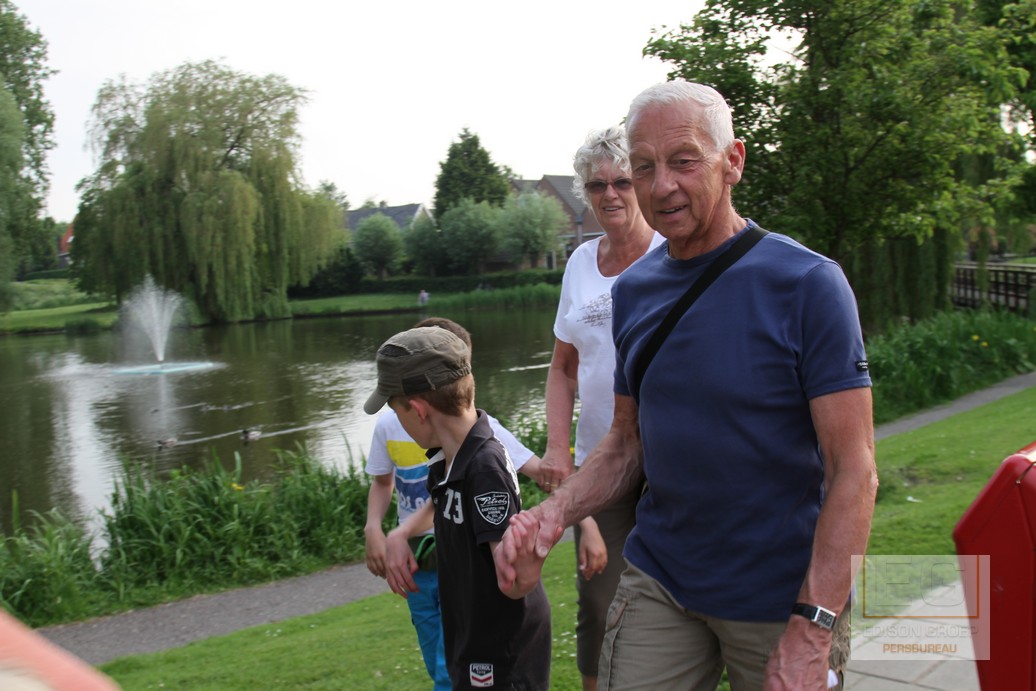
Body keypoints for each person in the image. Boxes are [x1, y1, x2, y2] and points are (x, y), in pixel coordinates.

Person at [495, 80, 877, 690]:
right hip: (664, 578)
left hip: (779, 594)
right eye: (644, 167)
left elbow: (854, 470)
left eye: (684, 161)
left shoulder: (808, 284)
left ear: (733, 162)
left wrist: (814, 627)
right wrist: (551, 515)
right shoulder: (633, 292)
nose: (661, 186)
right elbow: (626, 443)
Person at [538, 125, 664, 691]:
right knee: (598, 599)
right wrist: (557, 449)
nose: (609, 194)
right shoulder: (581, 264)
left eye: (622, 181)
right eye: (596, 185)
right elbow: (563, 368)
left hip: (668, 458)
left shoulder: (671, 252)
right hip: (599, 462)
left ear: (641, 183)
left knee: (676, 591)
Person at [364, 317, 544, 691]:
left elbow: (511, 579)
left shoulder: (484, 466)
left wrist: (524, 569)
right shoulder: (446, 458)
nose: (397, 420)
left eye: (396, 410)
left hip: (500, 647)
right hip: (472, 629)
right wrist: (400, 533)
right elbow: (443, 503)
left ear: (418, 410)